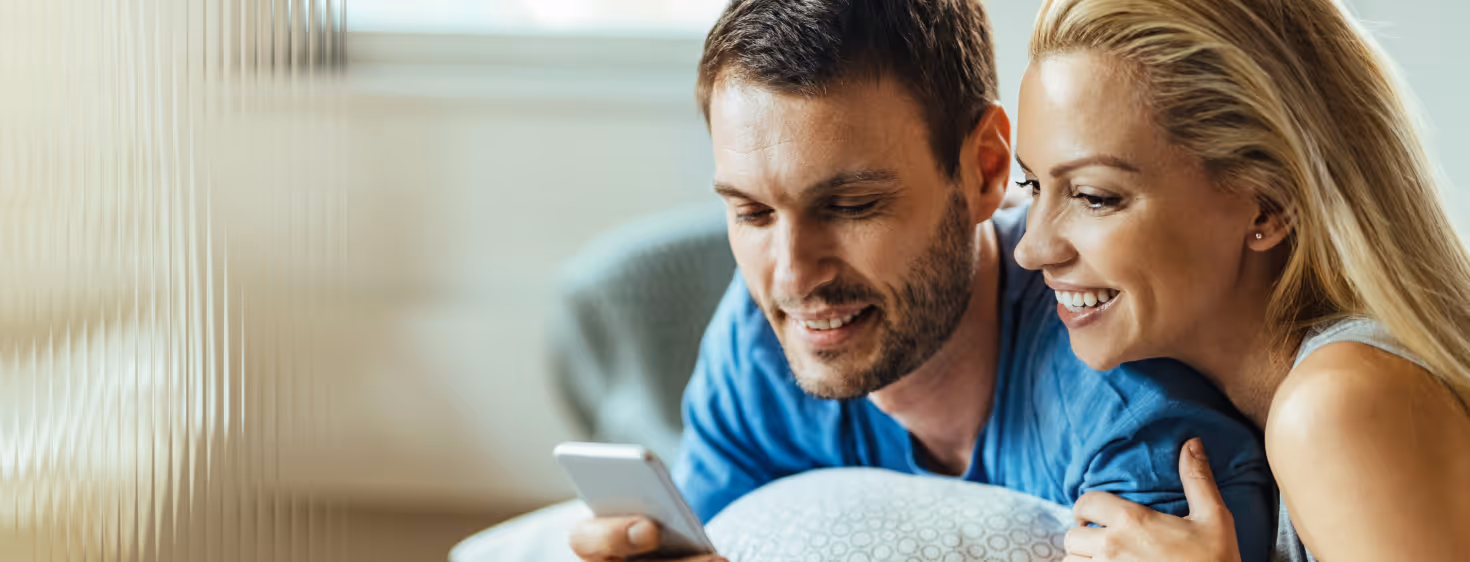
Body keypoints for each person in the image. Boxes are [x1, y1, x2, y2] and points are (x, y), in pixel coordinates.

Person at [568, 1, 1277, 561]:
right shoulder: (756, 341)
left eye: (850, 206)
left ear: (986, 171)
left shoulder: (1141, 434)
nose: (790, 276)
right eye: (752, 212)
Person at [1012, 0, 1470, 560]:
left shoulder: (1336, 406)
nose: (1031, 250)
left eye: (1092, 196)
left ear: (1268, 206)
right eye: (1032, 185)